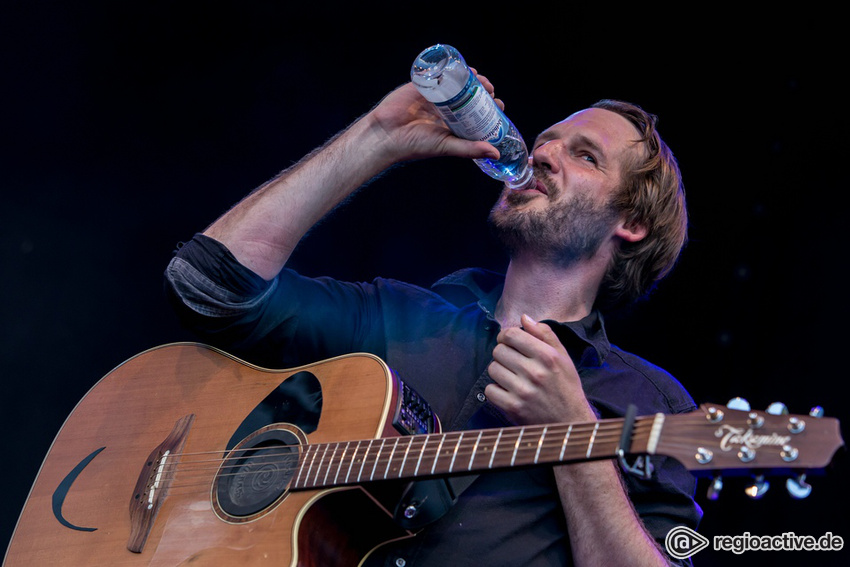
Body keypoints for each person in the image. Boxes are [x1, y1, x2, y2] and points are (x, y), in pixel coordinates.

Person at [164, 71, 702, 566]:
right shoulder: (396, 314)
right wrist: (377, 136)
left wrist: (577, 435)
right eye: (545, 140)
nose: (542, 154)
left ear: (631, 221)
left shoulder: (650, 405)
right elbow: (207, 286)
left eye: (586, 156)